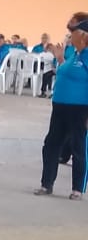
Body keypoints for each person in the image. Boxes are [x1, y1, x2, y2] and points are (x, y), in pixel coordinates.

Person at [35, 19, 88, 199]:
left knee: (78, 147)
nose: (70, 36)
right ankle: (46, 184)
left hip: (79, 108)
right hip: (60, 107)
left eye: (74, 33)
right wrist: (60, 59)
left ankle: (77, 189)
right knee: (51, 144)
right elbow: (66, 73)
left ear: (83, 36)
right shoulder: (74, 54)